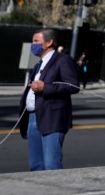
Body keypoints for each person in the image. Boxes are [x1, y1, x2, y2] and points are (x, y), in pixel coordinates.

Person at [18, 29, 80, 171]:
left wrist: (46, 87)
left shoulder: (63, 60)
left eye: (36, 41)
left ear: (49, 42)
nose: (33, 45)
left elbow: (73, 85)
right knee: (36, 165)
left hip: (52, 118)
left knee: (51, 164)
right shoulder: (38, 64)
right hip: (33, 117)